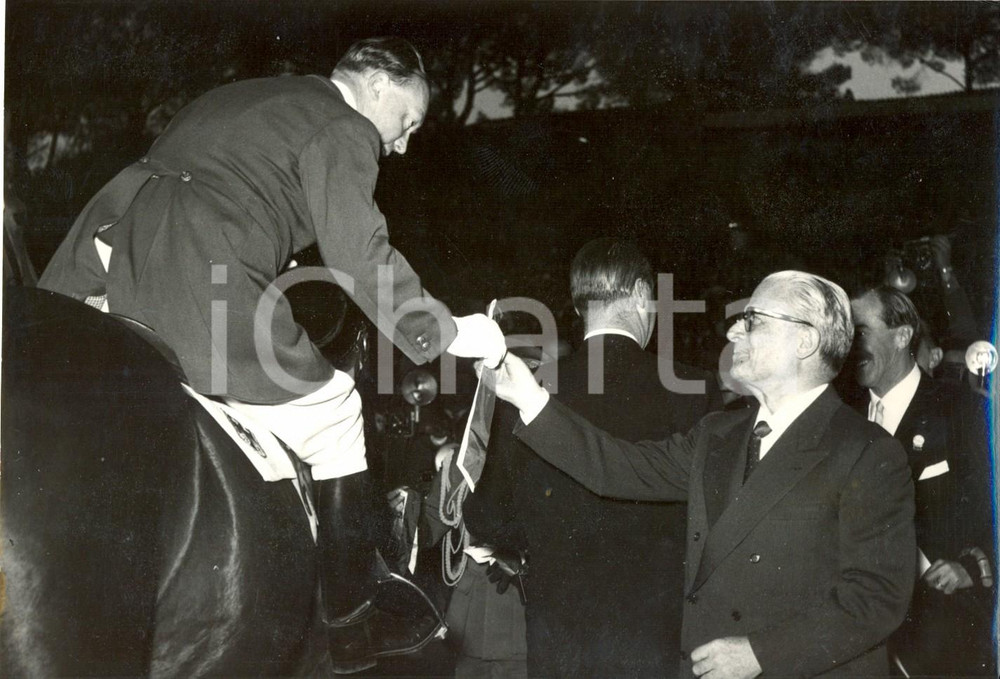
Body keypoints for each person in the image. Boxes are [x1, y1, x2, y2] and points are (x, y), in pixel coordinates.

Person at [38, 36, 504, 674]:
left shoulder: (250, 94)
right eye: (407, 121)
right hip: (197, 270)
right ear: (376, 87)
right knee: (337, 411)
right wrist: (454, 332)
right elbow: (359, 258)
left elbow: (221, 185)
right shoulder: (345, 126)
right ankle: (350, 626)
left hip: (111, 257)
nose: (402, 144)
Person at [487, 270, 916, 679]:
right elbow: (618, 467)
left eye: (752, 321)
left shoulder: (867, 452)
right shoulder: (718, 433)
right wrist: (530, 398)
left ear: (805, 340)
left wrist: (760, 653)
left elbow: (876, 598)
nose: (732, 334)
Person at [463, 238, 721, 677]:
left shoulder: (527, 389)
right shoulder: (695, 390)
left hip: (559, 639)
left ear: (581, 307)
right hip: (657, 638)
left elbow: (487, 518)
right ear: (642, 294)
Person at [851, 285, 996, 677]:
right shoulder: (842, 422)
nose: (851, 344)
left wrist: (978, 566)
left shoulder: (962, 409)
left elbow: (992, 505)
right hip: (860, 628)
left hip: (944, 625)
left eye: (861, 331)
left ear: (901, 336)